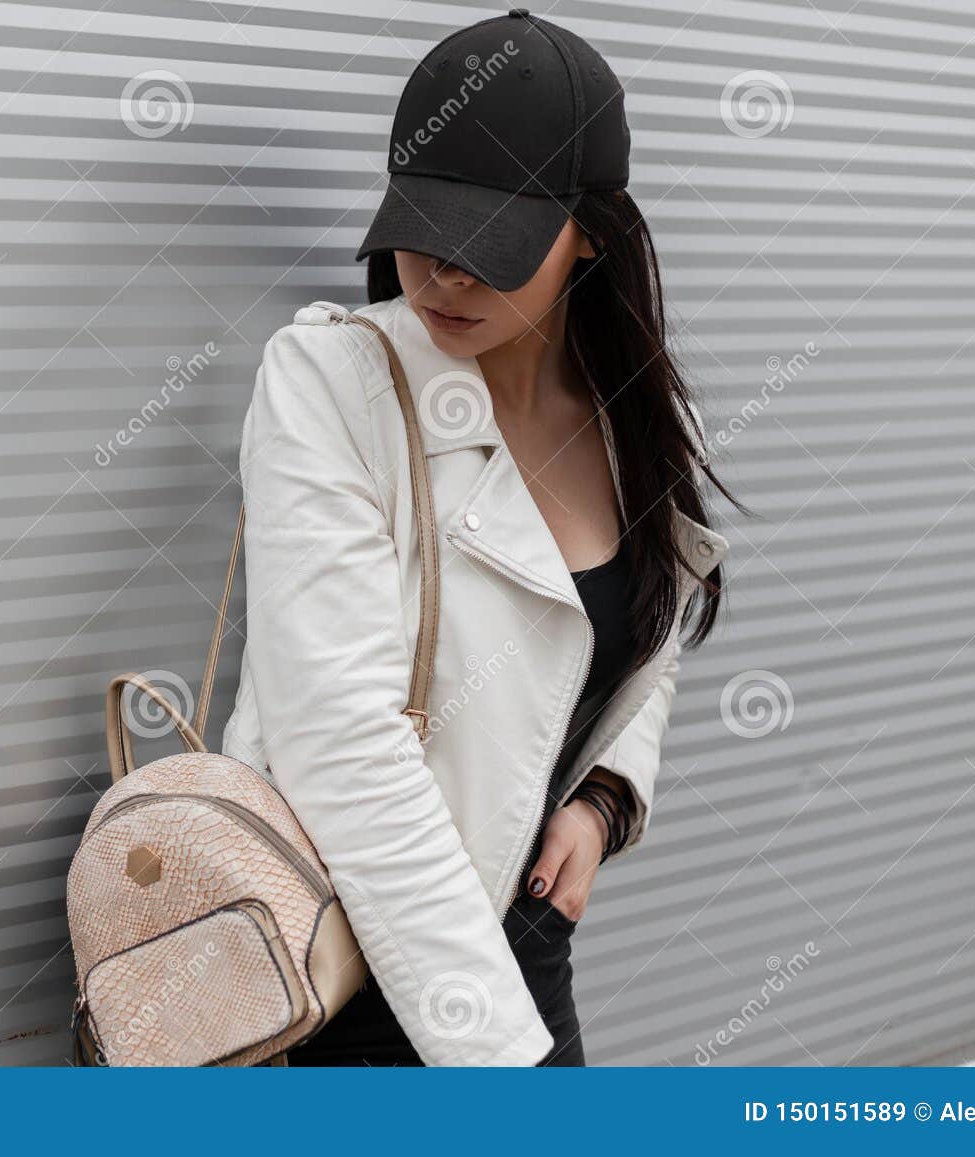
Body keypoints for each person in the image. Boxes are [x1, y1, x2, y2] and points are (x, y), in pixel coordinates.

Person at [221, 9, 742, 1066]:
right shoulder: (333, 382)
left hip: (523, 952)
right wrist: (500, 1051)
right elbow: (339, 741)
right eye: (424, 223)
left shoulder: (624, 414)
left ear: (591, 231)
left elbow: (646, 626)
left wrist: (602, 798)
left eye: (491, 240)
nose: (445, 272)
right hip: (347, 972)